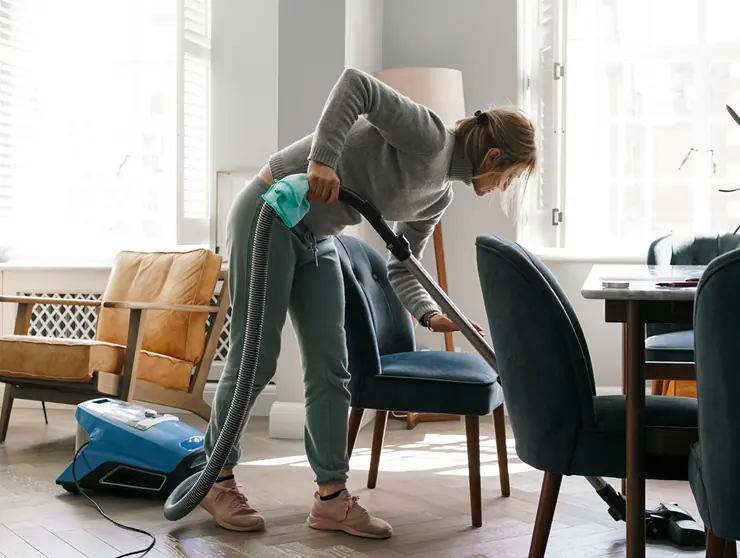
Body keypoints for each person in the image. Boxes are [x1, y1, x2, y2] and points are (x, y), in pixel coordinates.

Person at [199, 67, 538, 539]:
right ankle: (216, 478)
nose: (503, 188)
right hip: (271, 212)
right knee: (255, 356)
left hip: (318, 236)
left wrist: (429, 313)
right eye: (510, 177)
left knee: (332, 368)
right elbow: (356, 84)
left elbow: (402, 263)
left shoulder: (439, 195)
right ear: (494, 156)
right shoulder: (430, 136)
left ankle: (331, 499)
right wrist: (322, 159)